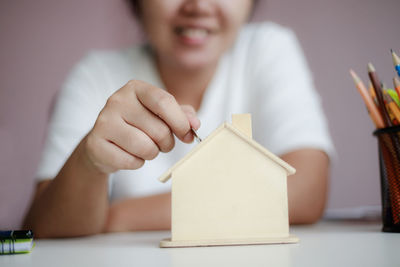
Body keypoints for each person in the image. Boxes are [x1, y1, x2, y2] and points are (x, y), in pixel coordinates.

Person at [24, 0, 333, 238]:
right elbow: (44, 228)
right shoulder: (94, 75)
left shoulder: (268, 48)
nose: (198, 5)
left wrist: (115, 216)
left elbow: (305, 191)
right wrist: (89, 162)